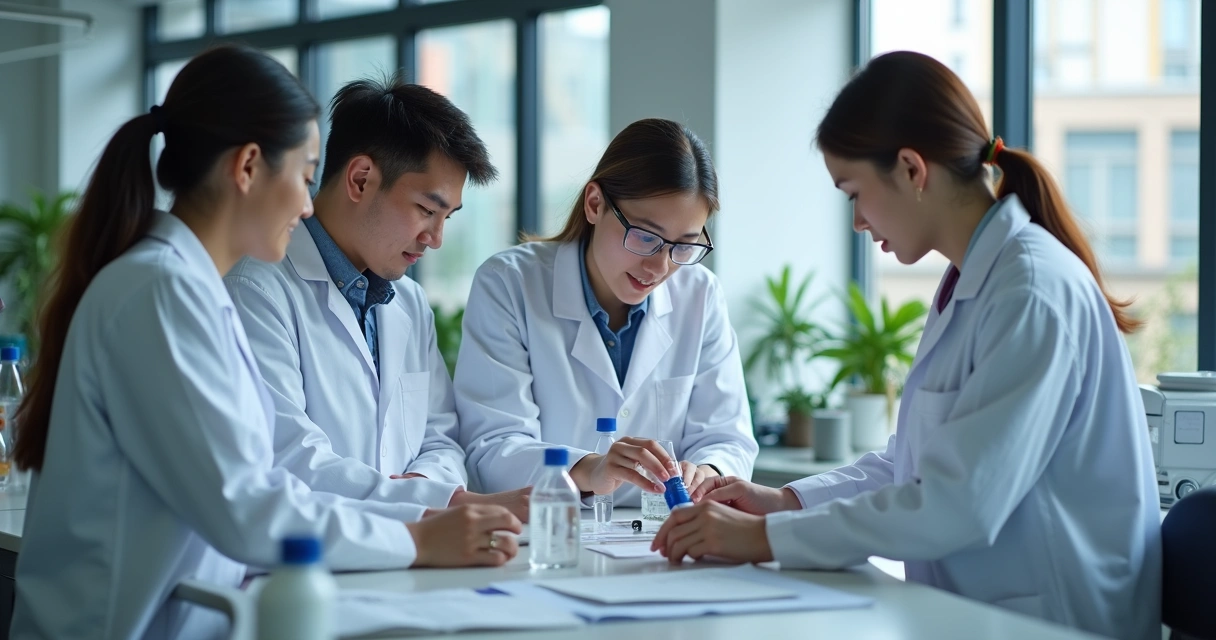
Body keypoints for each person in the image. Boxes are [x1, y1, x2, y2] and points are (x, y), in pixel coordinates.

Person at [10, 46, 519, 640]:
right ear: (248, 168)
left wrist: (421, 517)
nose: (307, 203)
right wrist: (417, 536)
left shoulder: (185, 288)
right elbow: (246, 502)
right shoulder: (162, 292)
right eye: (304, 177)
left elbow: (254, 486)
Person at [652, 51, 1161, 640]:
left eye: (852, 192)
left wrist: (762, 539)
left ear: (912, 170)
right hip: (980, 613)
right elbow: (910, 464)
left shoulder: (1032, 290)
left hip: (1055, 619)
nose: (857, 223)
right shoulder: (973, 283)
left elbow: (959, 503)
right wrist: (783, 501)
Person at [224, 76, 529, 522]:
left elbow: (440, 438)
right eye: (427, 210)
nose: (436, 239)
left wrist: (425, 488)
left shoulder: (409, 302)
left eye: (447, 217)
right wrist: (440, 504)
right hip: (310, 565)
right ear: (361, 178)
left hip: (408, 560)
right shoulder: (257, 290)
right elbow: (288, 457)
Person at [456, 118, 758, 507]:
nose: (659, 267)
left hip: (661, 538)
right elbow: (493, 445)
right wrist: (590, 469)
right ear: (595, 203)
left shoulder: (699, 294)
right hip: (549, 535)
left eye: (683, 246)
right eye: (646, 237)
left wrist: (709, 471)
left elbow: (726, 437)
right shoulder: (510, 284)